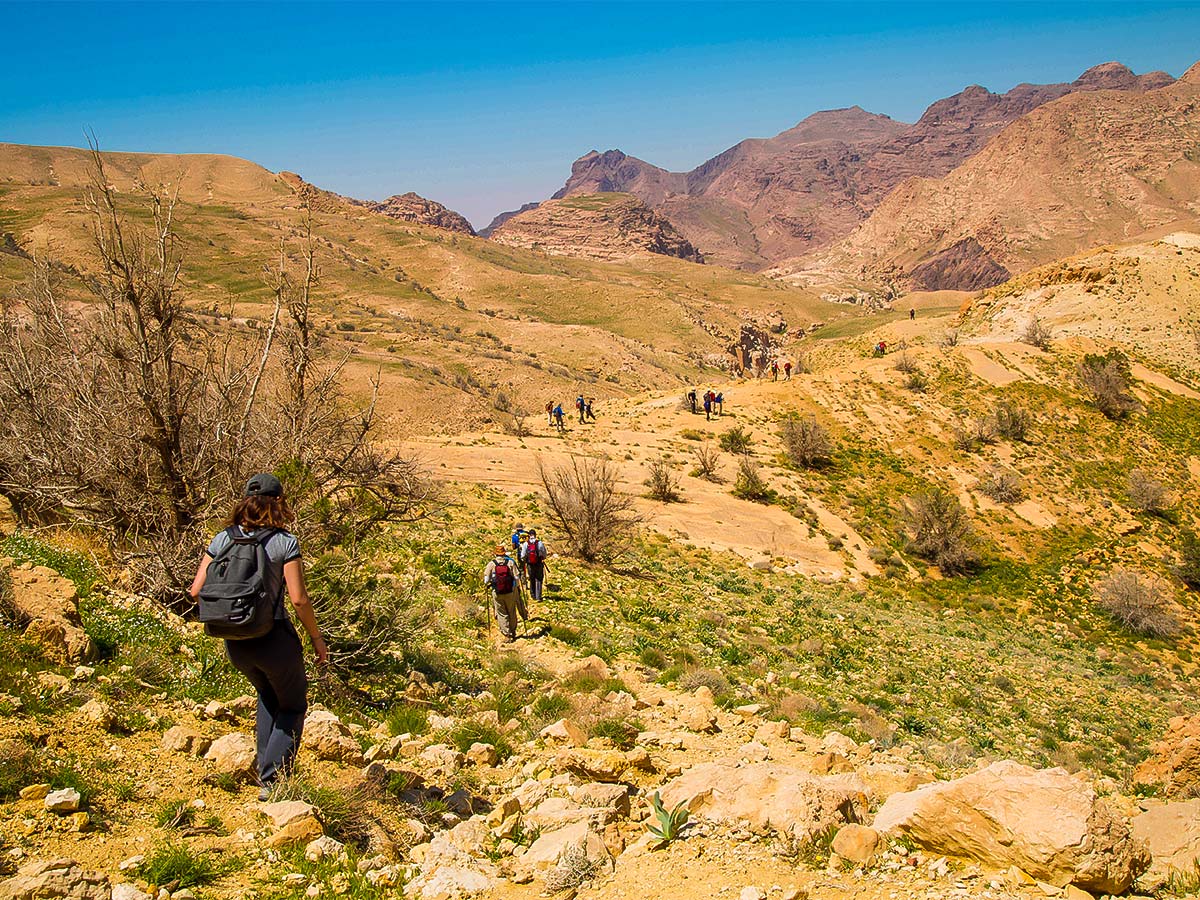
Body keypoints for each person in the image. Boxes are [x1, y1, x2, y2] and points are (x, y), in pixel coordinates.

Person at [189, 473, 327, 801]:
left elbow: (196, 590)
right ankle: (273, 780)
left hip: (235, 643)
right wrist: (317, 639)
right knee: (293, 705)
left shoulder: (223, 538)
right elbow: (298, 599)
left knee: (267, 695)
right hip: (273, 638)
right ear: (279, 502)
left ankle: (266, 773)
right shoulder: (284, 542)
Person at [483, 544, 522, 643]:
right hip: (510, 591)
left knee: (501, 612)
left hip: (497, 592)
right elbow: (517, 577)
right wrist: (516, 587)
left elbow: (486, 580)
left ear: (495, 553)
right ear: (504, 553)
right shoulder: (510, 562)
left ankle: (507, 634)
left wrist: (489, 583)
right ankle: (513, 631)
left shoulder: (491, 564)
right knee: (511, 611)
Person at [521, 528, 548, 604]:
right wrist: (543, 558)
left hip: (530, 564)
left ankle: (532, 595)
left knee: (532, 578)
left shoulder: (526, 544)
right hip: (539, 563)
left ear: (529, 535)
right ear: (535, 535)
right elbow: (544, 553)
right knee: (539, 578)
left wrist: (525, 560)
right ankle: (538, 596)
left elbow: (523, 555)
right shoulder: (539, 543)